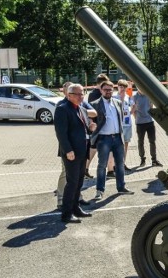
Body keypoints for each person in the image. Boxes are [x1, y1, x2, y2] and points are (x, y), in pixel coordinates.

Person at [54, 84, 96, 223]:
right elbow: (61, 133)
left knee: (79, 182)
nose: (81, 96)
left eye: (82, 93)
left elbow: (83, 129)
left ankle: (76, 208)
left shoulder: (80, 108)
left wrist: (90, 128)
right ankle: (66, 214)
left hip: (82, 150)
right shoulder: (62, 109)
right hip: (72, 152)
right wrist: (68, 150)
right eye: (78, 94)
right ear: (69, 95)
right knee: (71, 183)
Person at [90, 81, 134, 200]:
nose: (108, 91)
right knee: (102, 165)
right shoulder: (95, 104)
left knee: (120, 164)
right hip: (104, 139)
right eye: (106, 90)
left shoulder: (118, 103)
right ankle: (100, 190)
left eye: (110, 90)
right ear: (101, 90)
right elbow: (90, 121)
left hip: (118, 138)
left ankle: (121, 187)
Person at [85, 73, 110, 179]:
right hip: (97, 127)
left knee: (99, 149)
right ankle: (84, 169)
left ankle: (111, 169)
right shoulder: (95, 94)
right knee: (93, 148)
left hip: (101, 126)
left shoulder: (94, 93)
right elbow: (92, 112)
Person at [131, 87, 161, 167]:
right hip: (140, 123)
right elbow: (133, 111)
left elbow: (151, 107)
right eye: (139, 87)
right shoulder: (134, 97)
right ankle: (142, 159)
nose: (142, 89)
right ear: (137, 88)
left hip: (150, 122)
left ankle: (154, 160)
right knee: (141, 142)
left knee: (152, 141)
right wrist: (137, 119)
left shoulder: (148, 95)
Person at [113, 80, 133, 171]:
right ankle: (115, 164)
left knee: (126, 144)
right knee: (117, 145)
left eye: (124, 87)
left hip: (127, 124)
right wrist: (120, 98)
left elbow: (134, 105)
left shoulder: (128, 97)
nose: (122, 89)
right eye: (120, 86)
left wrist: (130, 113)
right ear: (117, 87)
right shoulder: (114, 97)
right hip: (118, 125)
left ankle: (123, 163)